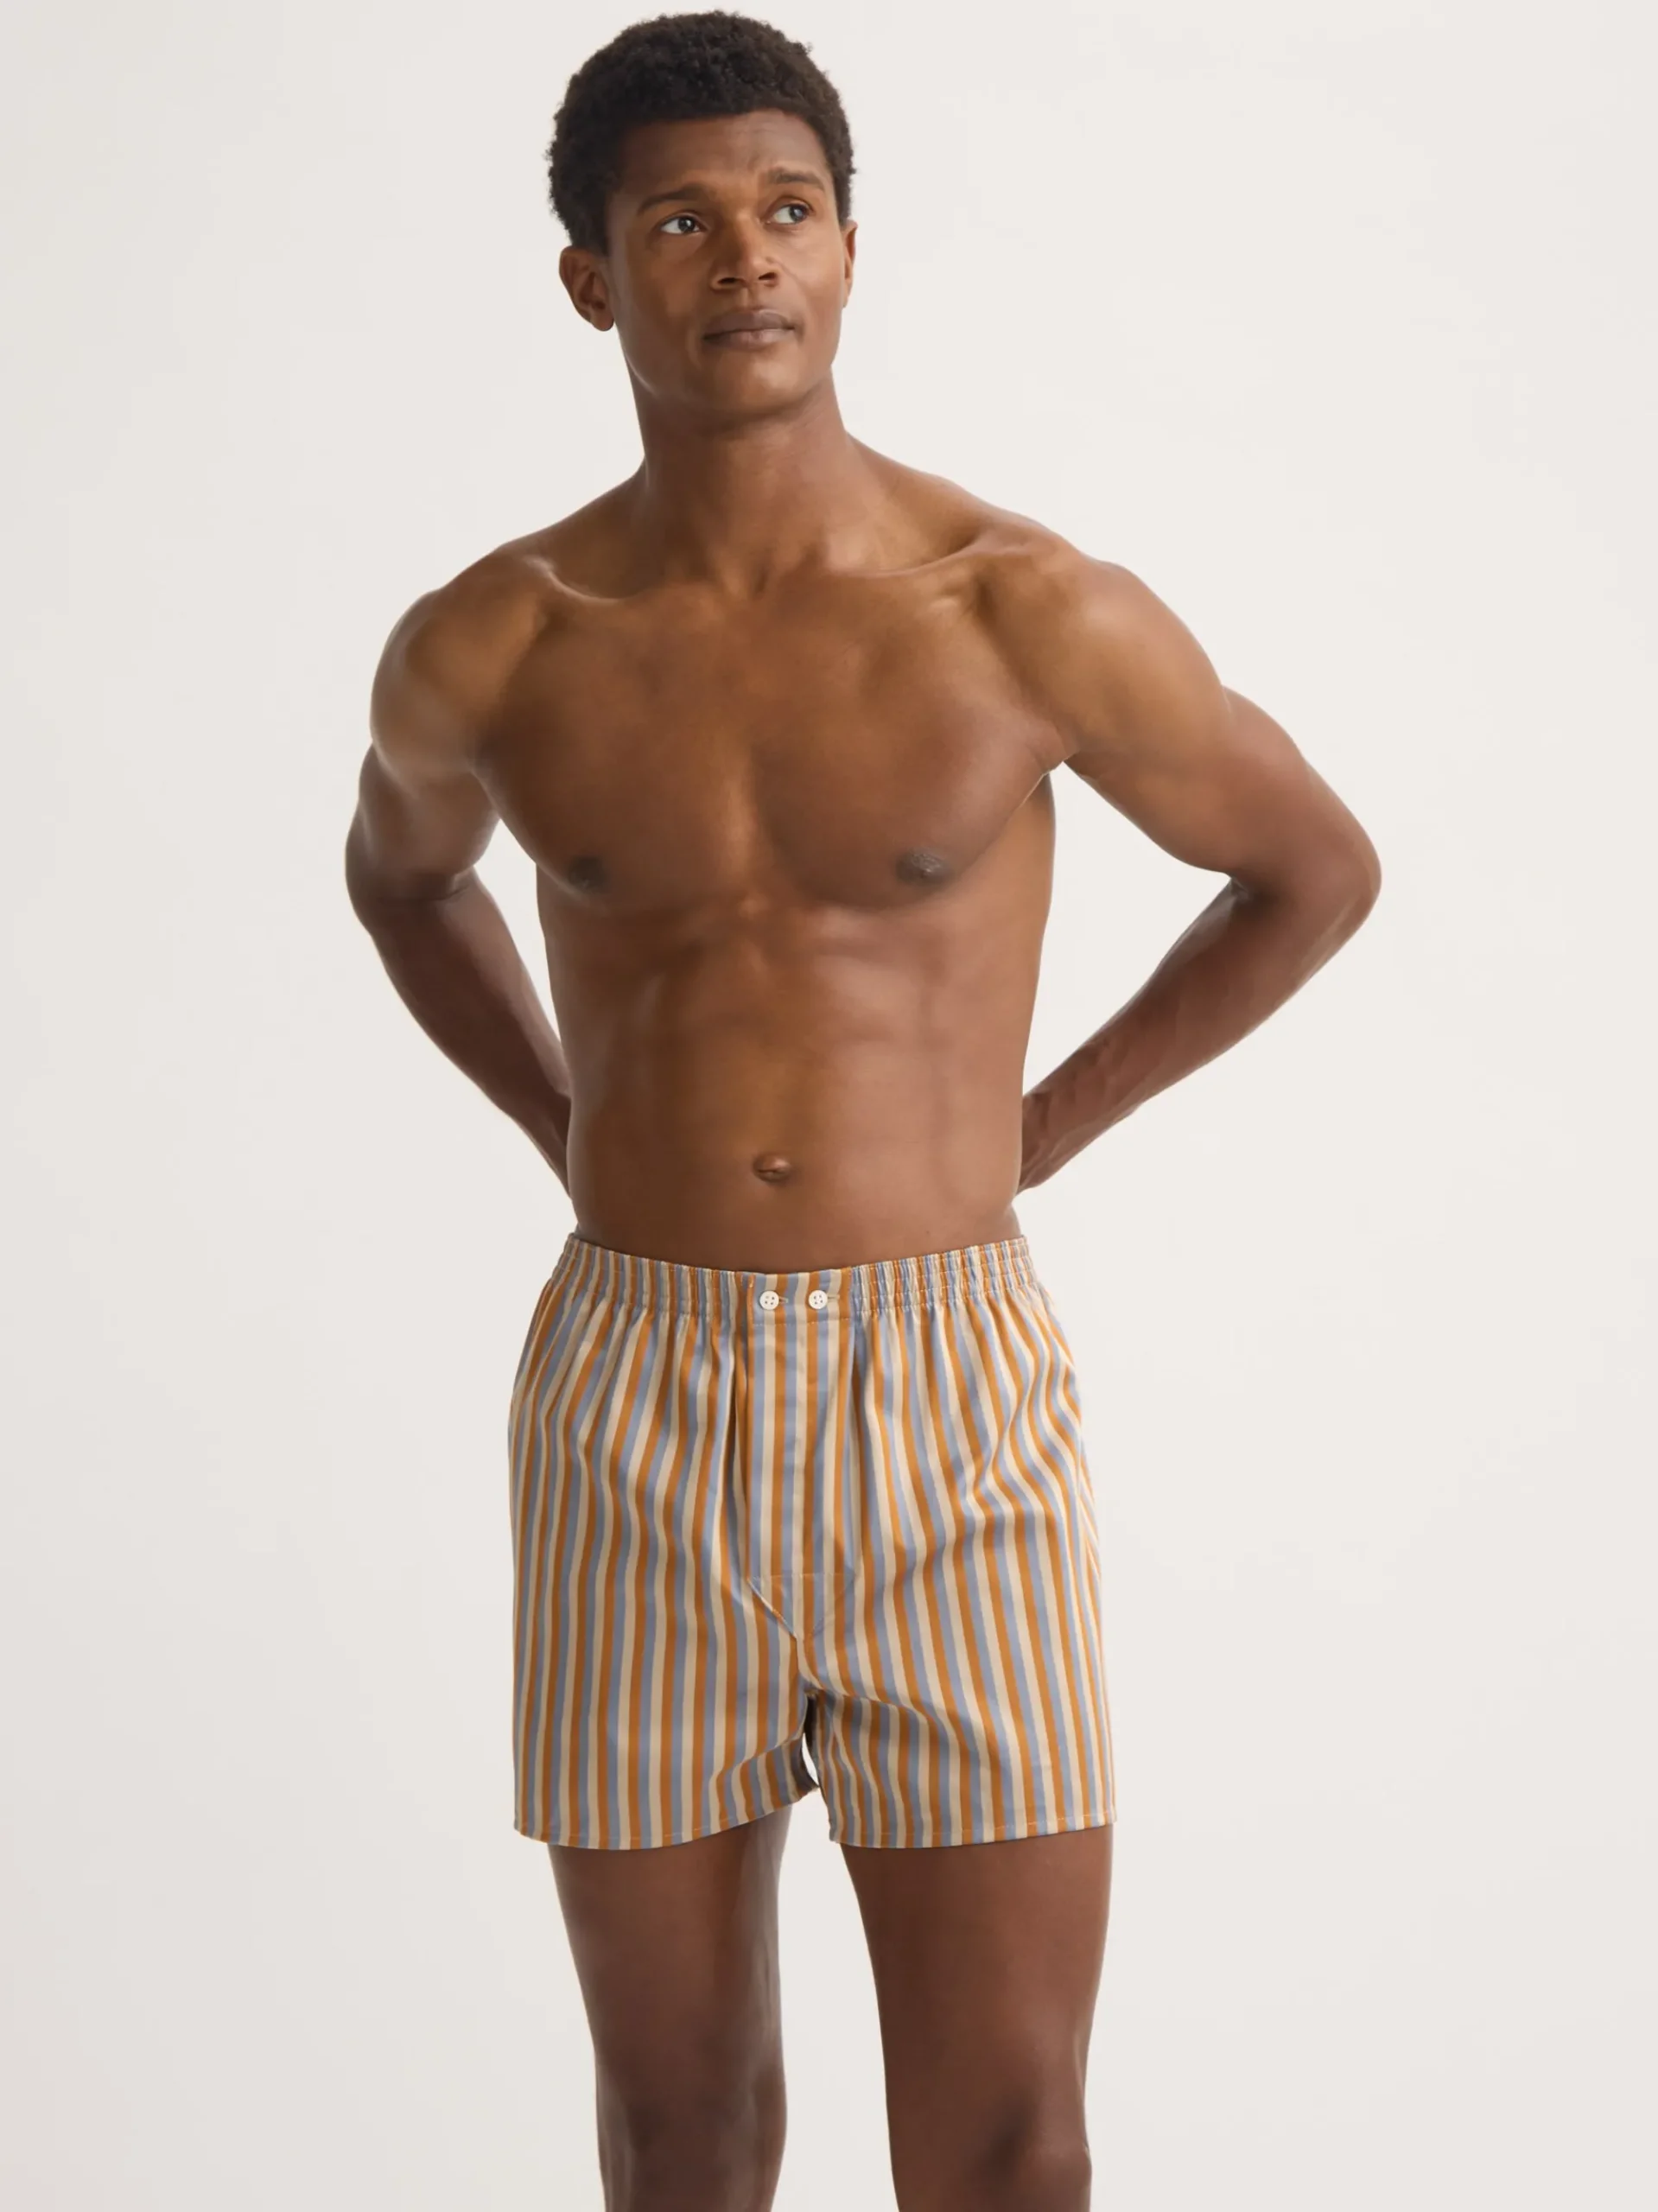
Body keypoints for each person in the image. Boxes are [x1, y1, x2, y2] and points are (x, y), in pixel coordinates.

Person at [343, 10, 1382, 2208]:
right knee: (680, 2131)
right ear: (591, 279)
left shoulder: (1023, 612)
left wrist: (1039, 1126)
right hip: (631, 1396)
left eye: (787, 209)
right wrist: (561, 1122)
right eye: (680, 222)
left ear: (845, 244)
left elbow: (1309, 867)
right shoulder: (494, 644)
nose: (745, 258)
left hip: (947, 1399)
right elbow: (402, 878)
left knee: (1007, 2142)